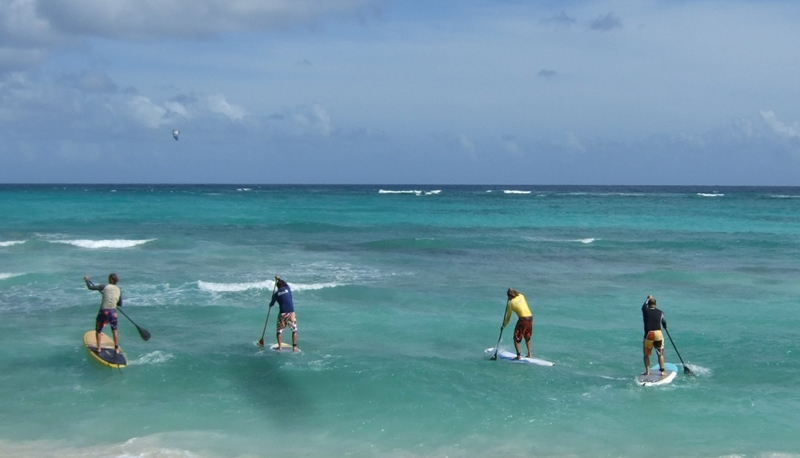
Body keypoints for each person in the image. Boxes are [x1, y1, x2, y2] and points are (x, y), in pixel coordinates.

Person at [85, 273, 123, 354]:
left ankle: (99, 348)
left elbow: (90, 287)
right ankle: (116, 348)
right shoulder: (119, 289)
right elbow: (120, 304)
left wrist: (87, 280)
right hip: (113, 312)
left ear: (110, 279)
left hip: (104, 311)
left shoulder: (104, 286)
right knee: (115, 329)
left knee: (98, 330)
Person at [502, 288, 533, 360]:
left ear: (510, 296)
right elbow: (518, 293)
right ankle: (529, 354)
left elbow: (508, 318)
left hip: (523, 320)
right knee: (527, 336)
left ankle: (518, 356)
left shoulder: (511, 303)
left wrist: (503, 326)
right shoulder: (521, 296)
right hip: (531, 318)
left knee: (516, 338)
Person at [269, 276, 298, 352]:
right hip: (291, 313)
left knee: (279, 331)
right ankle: (294, 347)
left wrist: (270, 305)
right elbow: (285, 283)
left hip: (283, 314)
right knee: (294, 330)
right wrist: (278, 279)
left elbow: (271, 304)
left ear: (278, 287)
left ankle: (280, 347)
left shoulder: (275, 294)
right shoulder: (288, 289)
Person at [641, 295, 668, 376]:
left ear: (648, 304)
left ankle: (648, 372)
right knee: (660, 354)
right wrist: (665, 327)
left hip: (649, 334)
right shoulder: (661, 312)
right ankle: (662, 371)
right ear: (656, 305)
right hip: (658, 334)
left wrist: (647, 298)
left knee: (646, 354)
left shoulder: (646, 310)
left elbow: (643, 306)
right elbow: (664, 323)